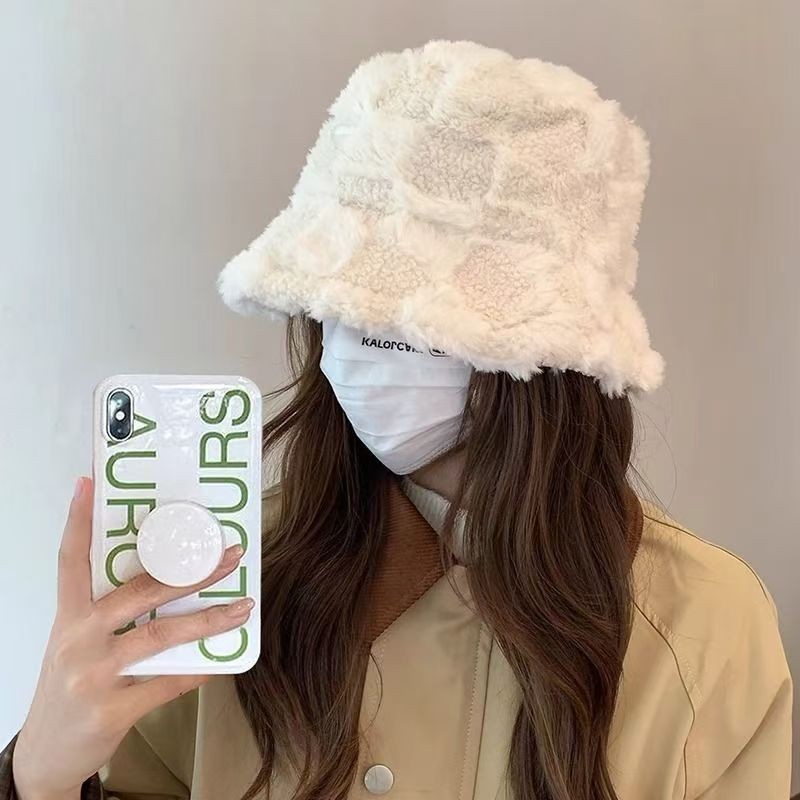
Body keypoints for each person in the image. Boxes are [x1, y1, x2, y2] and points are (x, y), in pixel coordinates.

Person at [4, 39, 792, 800]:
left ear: (545, 348)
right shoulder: (222, 579)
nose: (363, 345)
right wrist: (41, 777)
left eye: (414, 315)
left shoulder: (706, 622)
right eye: (344, 305)